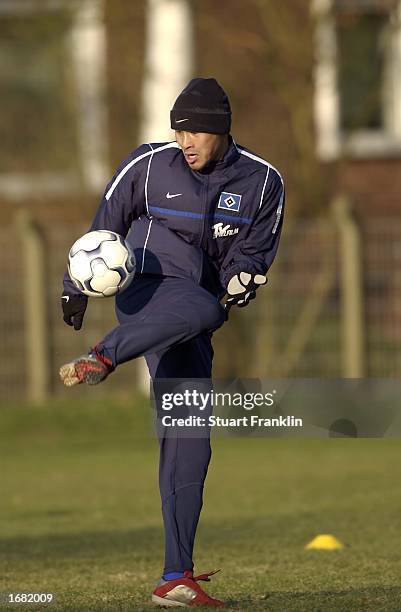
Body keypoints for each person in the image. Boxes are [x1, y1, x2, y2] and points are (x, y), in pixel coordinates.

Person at [60, 77, 284, 608]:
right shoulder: (148, 164)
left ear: (221, 130)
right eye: (178, 128)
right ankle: (105, 353)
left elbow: (252, 255)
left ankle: (174, 575)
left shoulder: (262, 182)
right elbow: (104, 226)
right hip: (147, 295)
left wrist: (243, 278)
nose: (184, 139)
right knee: (202, 308)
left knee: (190, 435)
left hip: (197, 314)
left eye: (195, 130)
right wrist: (74, 288)